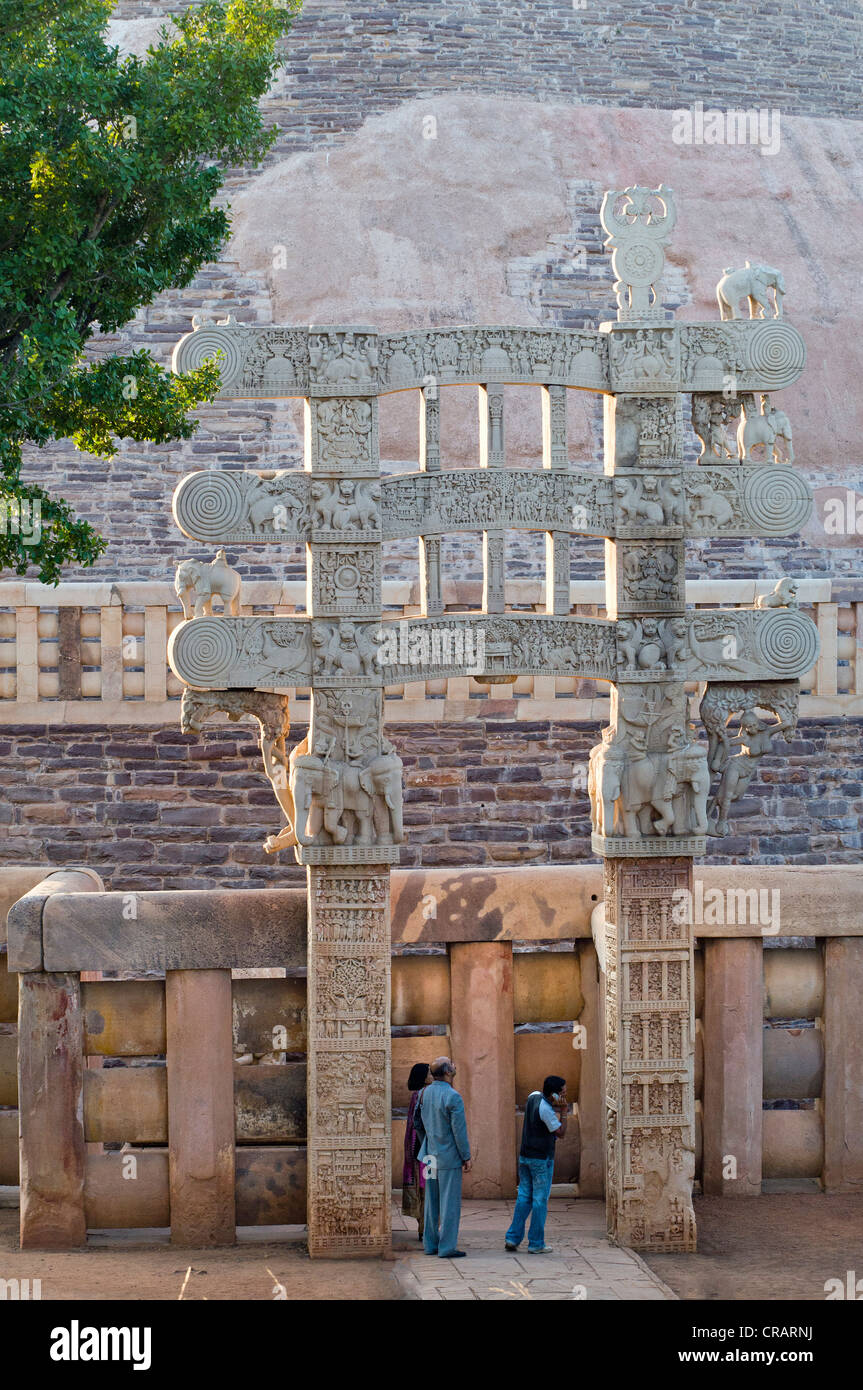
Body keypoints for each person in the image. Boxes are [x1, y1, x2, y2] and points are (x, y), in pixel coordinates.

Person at [414, 1056, 472, 1259]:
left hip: (429, 1155)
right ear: (448, 1071)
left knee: (431, 1201)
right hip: (448, 1157)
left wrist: (428, 1142)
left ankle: (430, 1244)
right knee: (449, 1203)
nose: (455, 1065)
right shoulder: (453, 1096)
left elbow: (417, 1124)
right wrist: (466, 1155)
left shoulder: (423, 1093)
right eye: (452, 1064)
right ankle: (447, 1247)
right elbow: (459, 1130)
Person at [505, 1075, 568, 1255]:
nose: (565, 1095)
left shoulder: (534, 1096)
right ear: (554, 1095)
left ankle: (512, 1237)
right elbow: (561, 1132)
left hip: (525, 1157)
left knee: (524, 1197)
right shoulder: (547, 1111)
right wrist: (564, 1111)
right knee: (540, 1200)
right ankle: (536, 1243)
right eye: (563, 1093)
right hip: (540, 1160)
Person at [402, 1062, 431, 1240]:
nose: (431, 1075)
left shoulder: (417, 1095)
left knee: (424, 1187)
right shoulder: (422, 1095)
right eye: (428, 1073)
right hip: (425, 1151)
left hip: (418, 1149)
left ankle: (424, 1227)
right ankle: (425, 1227)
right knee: (427, 1188)